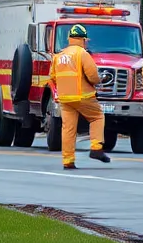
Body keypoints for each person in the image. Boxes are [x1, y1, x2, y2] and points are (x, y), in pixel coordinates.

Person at [47, 25, 111, 170]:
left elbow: (52, 77)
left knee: (68, 128)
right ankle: (96, 148)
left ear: (69, 38)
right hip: (83, 96)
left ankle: (68, 160)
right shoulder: (82, 54)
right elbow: (93, 76)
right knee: (97, 117)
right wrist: (98, 81)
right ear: (83, 39)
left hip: (65, 98)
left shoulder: (59, 56)